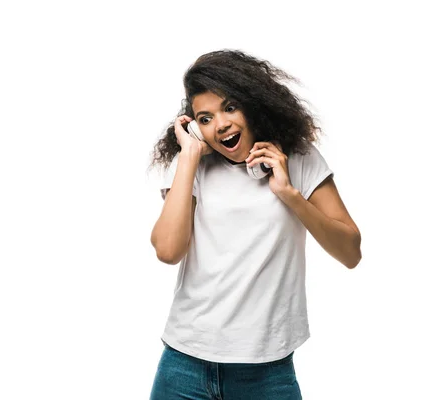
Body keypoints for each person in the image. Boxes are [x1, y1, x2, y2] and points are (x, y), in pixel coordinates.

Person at [147, 49, 362, 400]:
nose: (221, 125)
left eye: (230, 107)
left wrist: (289, 194)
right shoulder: (194, 166)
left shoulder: (299, 157)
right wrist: (188, 157)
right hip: (184, 363)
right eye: (205, 118)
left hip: (266, 370)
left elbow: (351, 252)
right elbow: (168, 250)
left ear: (253, 103)